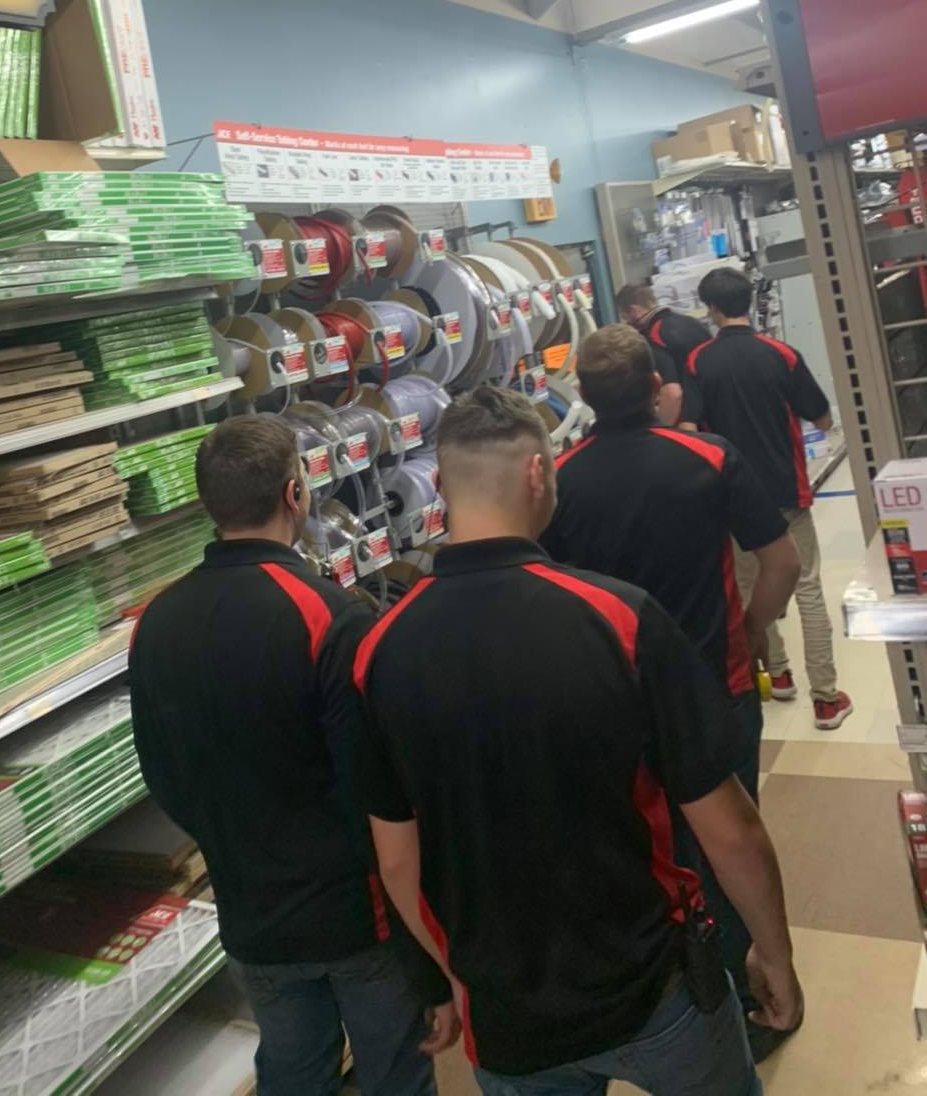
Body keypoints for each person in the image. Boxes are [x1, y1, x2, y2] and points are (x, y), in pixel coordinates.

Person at [355, 386, 804, 1096]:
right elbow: (731, 830)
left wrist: (456, 977)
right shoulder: (619, 619)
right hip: (653, 986)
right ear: (538, 473)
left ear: (438, 484)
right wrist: (773, 953)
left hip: (509, 1018)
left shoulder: (379, 651)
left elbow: (397, 860)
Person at [128, 415, 454, 1096]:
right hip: (354, 918)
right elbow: (377, 791)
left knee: (292, 1074)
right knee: (395, 1074)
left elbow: (162, 773)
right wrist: (430, 960)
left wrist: (237, 846)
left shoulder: (157, 622)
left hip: (251, 914)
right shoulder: (329, 616)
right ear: (295, 494)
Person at [542, 325, 801, 1053]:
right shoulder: (710, 458)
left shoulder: (562, 481)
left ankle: (674, 1006)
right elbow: (782, 562)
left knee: (642, 850)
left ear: (584, 397)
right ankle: (743, 1000)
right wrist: (752, 628)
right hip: (716, 687)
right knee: (729, 843)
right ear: (657, 389)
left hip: (614, 706)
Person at [687, 266, 853, 731]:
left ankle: (776, 675)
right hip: (785, 490)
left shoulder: (699, 361)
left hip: (732, 498)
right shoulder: (781, 353)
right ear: (748, 301)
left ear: (711, 309)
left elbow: (689, 428)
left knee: (751, 590)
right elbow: (822, 418)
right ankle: (826, 699)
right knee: (807, 587)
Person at [618, 280, 711, 426]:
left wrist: (662, 431)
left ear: (633, 311)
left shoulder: (654, 336)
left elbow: (672, 393)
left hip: (693, 421)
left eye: (625, 317)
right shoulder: (692, 322)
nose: (627, 323)